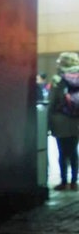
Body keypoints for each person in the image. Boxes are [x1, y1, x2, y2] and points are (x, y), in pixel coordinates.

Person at [48, 52, 79, 191]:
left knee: (62, 152)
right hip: (76, 121)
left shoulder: (57, 79)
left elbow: (52, 102)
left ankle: (63, 181)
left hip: (60, 121)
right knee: (74, 152)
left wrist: (48, 123)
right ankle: (74, 182)